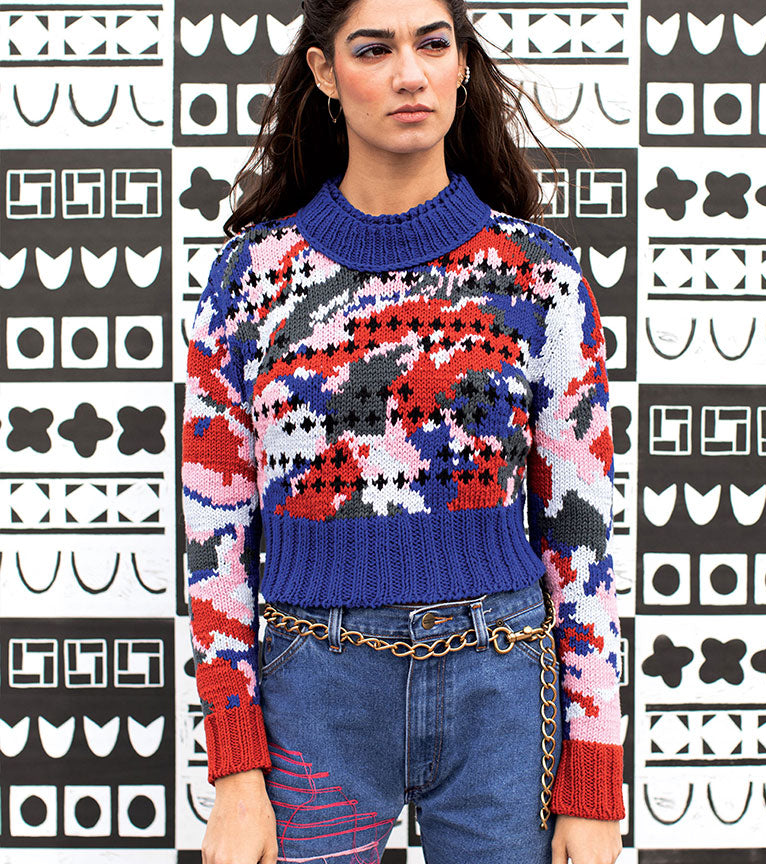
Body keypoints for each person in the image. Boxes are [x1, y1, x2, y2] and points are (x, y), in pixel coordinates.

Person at [180, 0, 624, 862]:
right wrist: (234, 773)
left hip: (503, 682)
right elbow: (213, 539)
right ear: (325, 72)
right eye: (374, 49)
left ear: (462, 64)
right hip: (314, 687)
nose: (409, 74)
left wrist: (595, 776)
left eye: (432, 43)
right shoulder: (249, 279)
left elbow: (583, 541)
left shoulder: (539, 275)